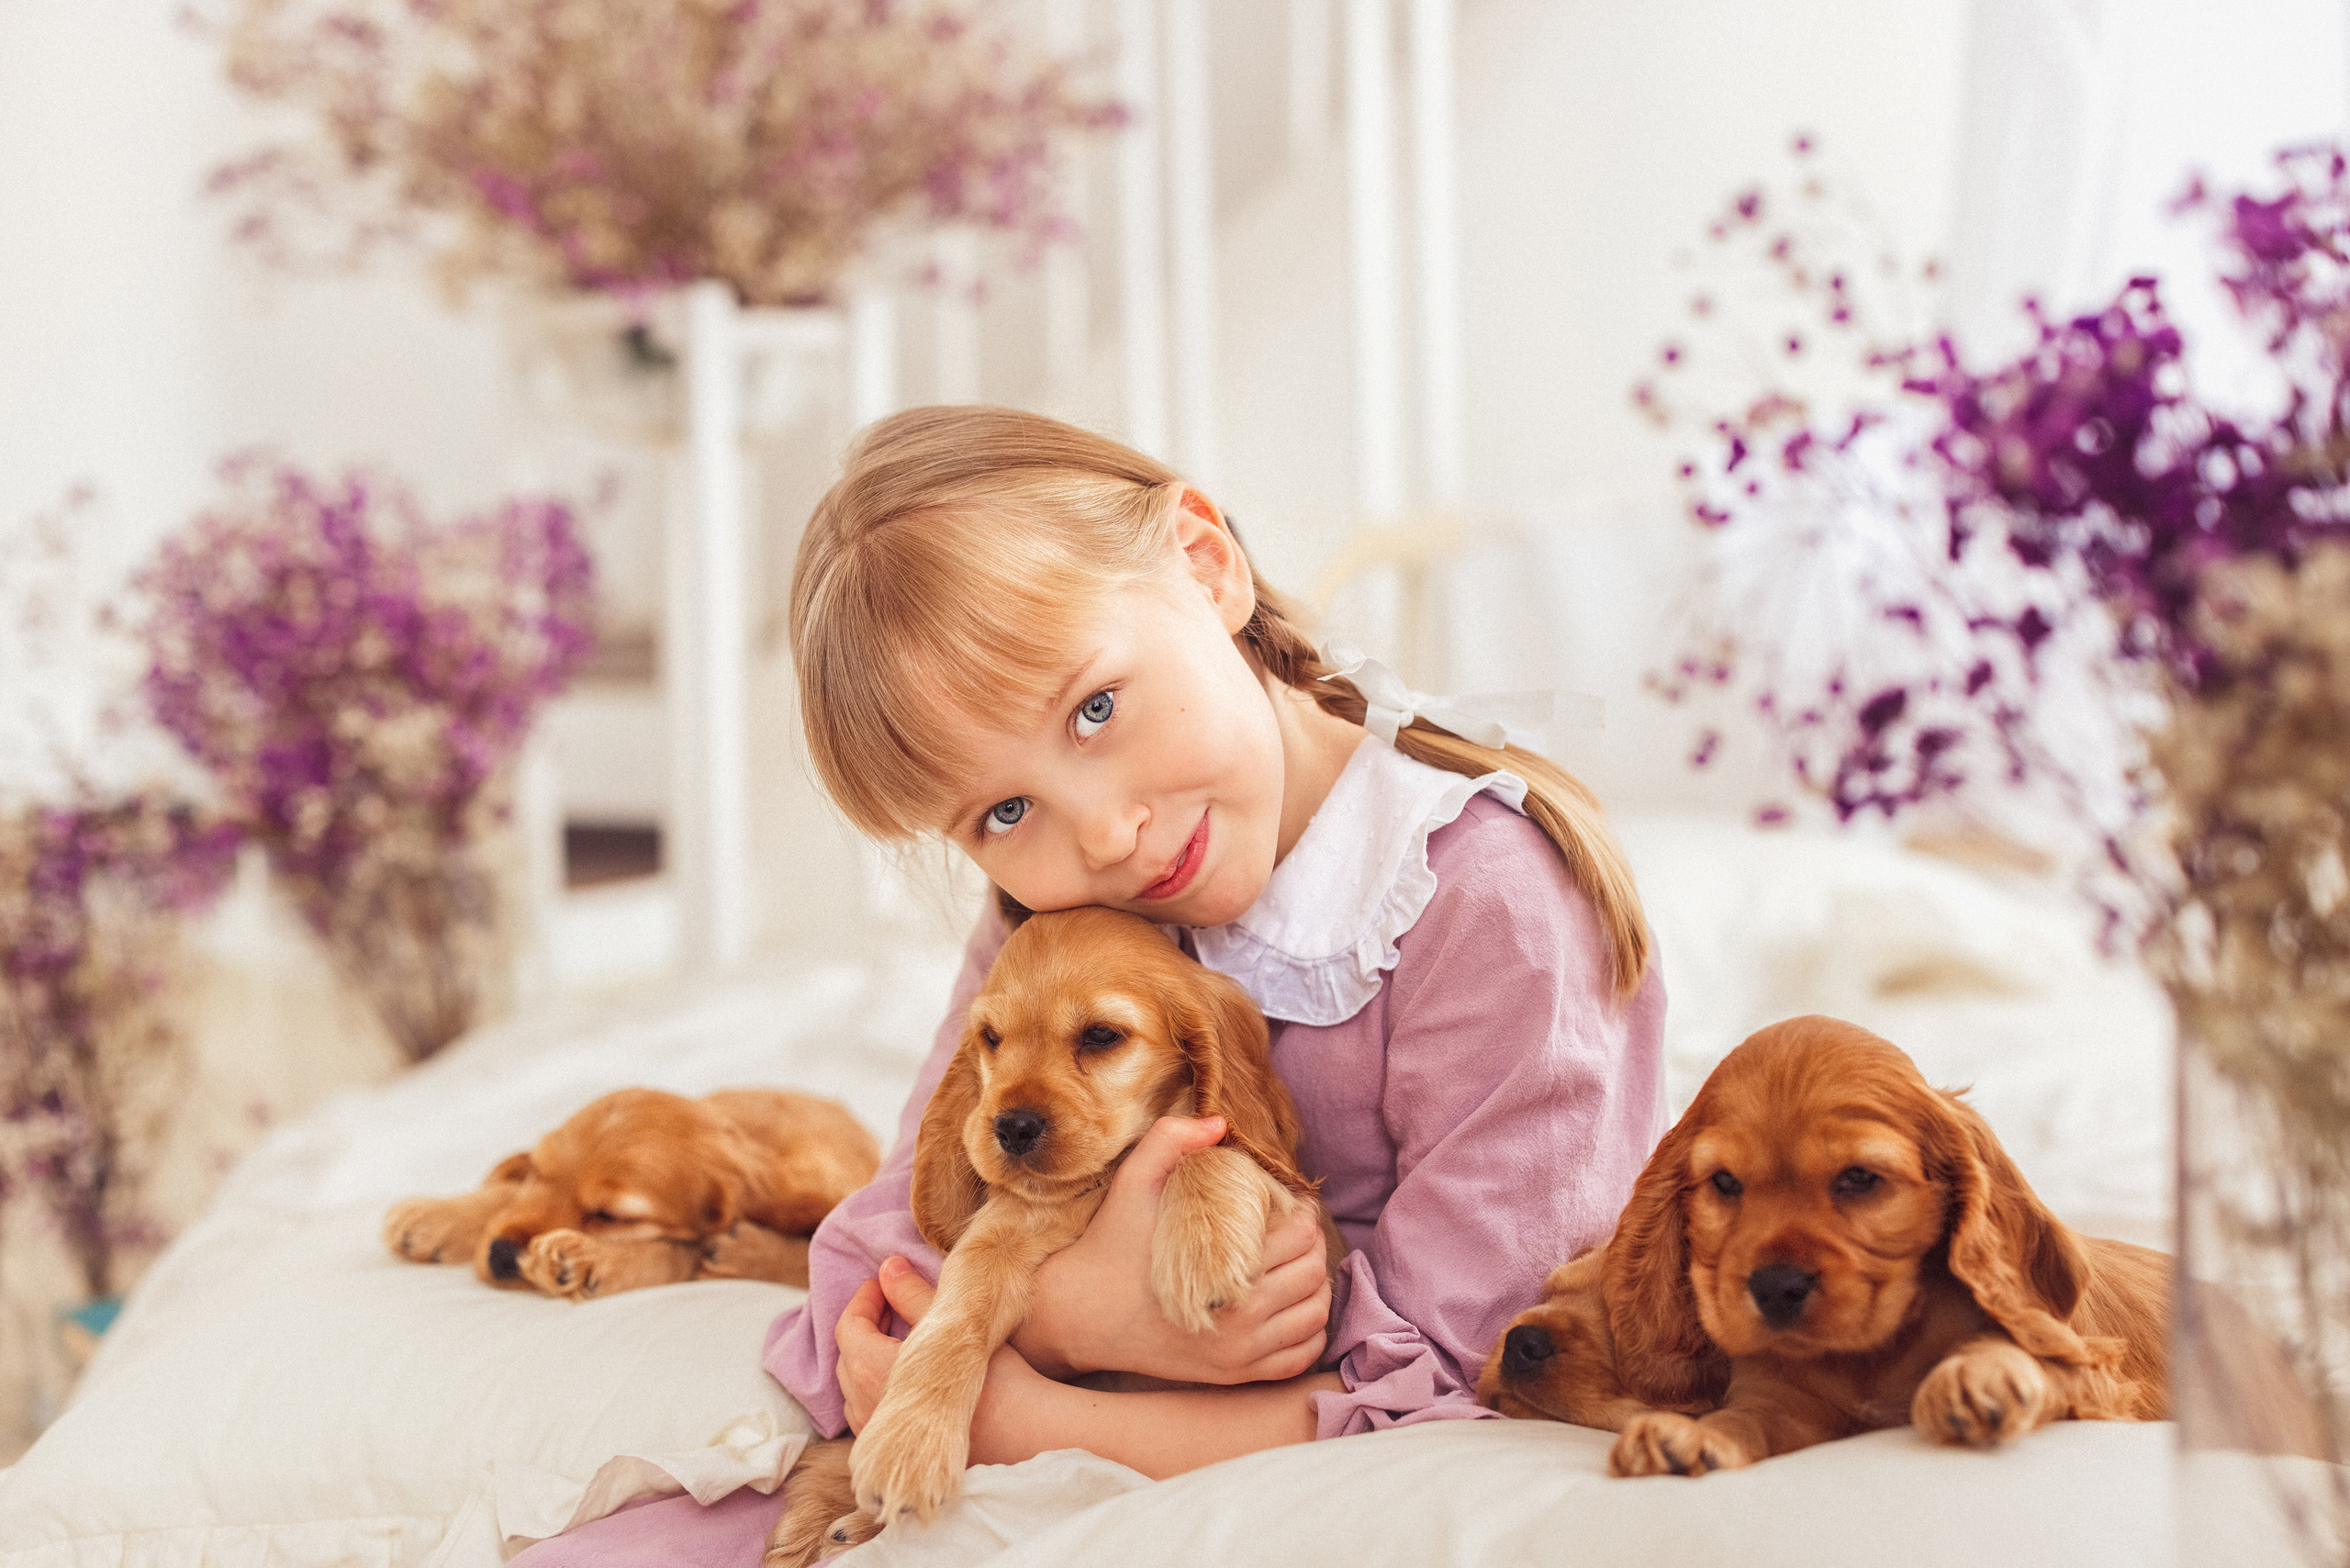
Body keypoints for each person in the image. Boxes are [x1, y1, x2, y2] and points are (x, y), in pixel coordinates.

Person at [514, 406, 1666, 1563]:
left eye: (1094, 708)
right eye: (1002, 812)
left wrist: (1027, 1410)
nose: (1107, 834)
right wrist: (1074, 1315)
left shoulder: (1487, 907)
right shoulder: (1049, 908)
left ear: (1206, 566)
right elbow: (900, 1235)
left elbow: (1480, 1373)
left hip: (1286, 1471)